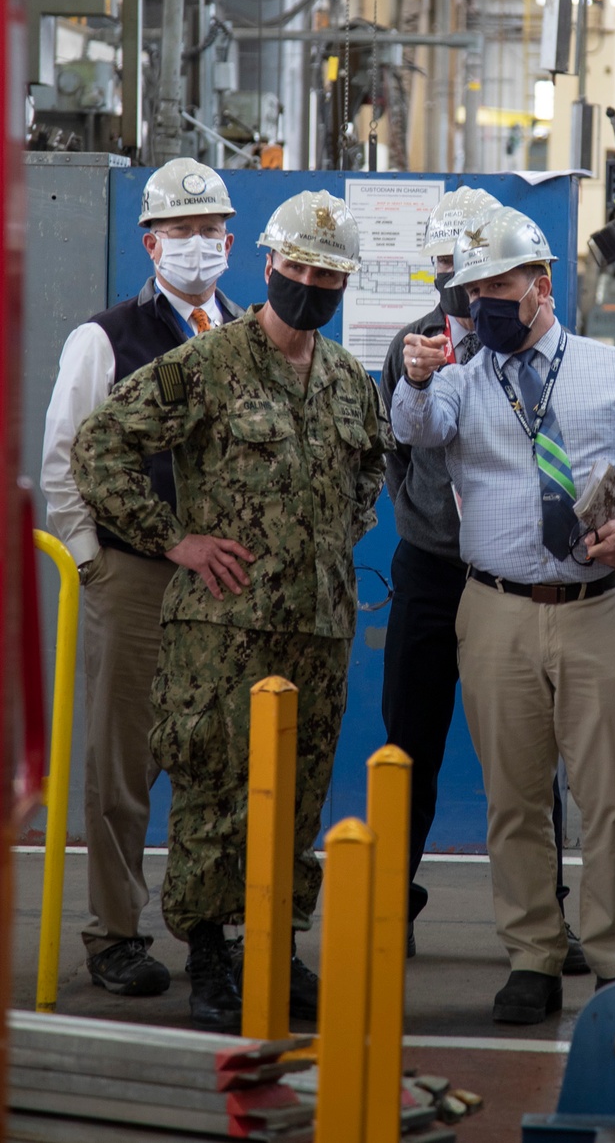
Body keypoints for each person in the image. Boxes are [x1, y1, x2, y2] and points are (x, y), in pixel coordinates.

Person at [72, 190, 390, 1032]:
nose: (313, 284)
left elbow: (370, 471)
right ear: (269, 265)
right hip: (222, 630)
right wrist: (173, 539)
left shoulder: (349, 380)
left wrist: (326, 541)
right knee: (216, 793)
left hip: (319, 629)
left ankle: (275, 948)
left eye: (331, 274)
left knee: (299, 796)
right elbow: (100, 443)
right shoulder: (210, 363)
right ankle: (210, 955)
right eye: (300, 268)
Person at [391, 206, 615, 1025]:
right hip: (494, 610)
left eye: (500, 286)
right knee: (515, 797)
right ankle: (531, 953)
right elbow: (415, 428)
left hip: (598, 610)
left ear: (541, 285)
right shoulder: (458, 378)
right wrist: (416, 376)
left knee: (609, 795)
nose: (486, 301)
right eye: (474, 289)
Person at [40, 158, 242, 998]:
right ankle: (114, 933)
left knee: (222, 767)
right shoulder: (104, 336)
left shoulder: (249, 334)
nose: (196, 245)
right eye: (180, 231)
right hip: (133, 580)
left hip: (228, 589)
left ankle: (210, 936)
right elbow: (64, 458)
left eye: (209, 230)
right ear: (150, 241)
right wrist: (90, 558)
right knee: (123, 767)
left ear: (229, 241)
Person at [380, 188, 587, 974]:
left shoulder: (545, 347)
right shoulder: (416, 345)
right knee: (411, 742)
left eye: (473, 272)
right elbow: (399, 448)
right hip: (434, 571)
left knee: (534, 758)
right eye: (445, 270)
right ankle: (390, 898)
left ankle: (550, 917)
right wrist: (431, 526)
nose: (460, 286)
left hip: (516, 578)